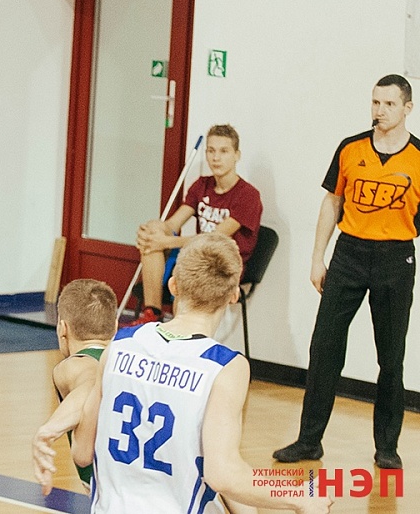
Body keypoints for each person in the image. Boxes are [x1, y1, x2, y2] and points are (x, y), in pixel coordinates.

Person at [65, 234, 332, 513]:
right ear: (233, 295)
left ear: (173, 285)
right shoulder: (224, 367)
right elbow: (223, 474)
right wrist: (299, 494)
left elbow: (82, 453)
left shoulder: (120, 344)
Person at [274, 74, 420, 471]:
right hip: (349, 254)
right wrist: (317, 257)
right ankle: (309, 441)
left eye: (389, 104)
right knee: (324, 348)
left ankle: (387, 447)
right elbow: (332, 202)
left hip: (395, 259)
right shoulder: (350, 148)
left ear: (407, 108)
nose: (379, 110)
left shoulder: (418, 157)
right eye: (375, 102)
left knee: (391, 357)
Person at [132, 124, 263, 325]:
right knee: (154, 234)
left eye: (223, 151)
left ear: (237, 155)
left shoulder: (248, 195)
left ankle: (178, 329)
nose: (216, 158)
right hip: (195, 254)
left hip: (222, 263)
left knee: (183, 274)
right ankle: (152, 315)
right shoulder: (202, 185)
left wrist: (165, 242)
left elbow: (213, 238)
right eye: (211, 151)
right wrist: (153, 230)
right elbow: (173, 224)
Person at [31, 279, 118, 496]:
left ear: (62, 329)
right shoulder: (127, 361)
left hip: (114, 493)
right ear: (116, 326)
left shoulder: (75, 365)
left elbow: (90, 384)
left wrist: (49, 430)